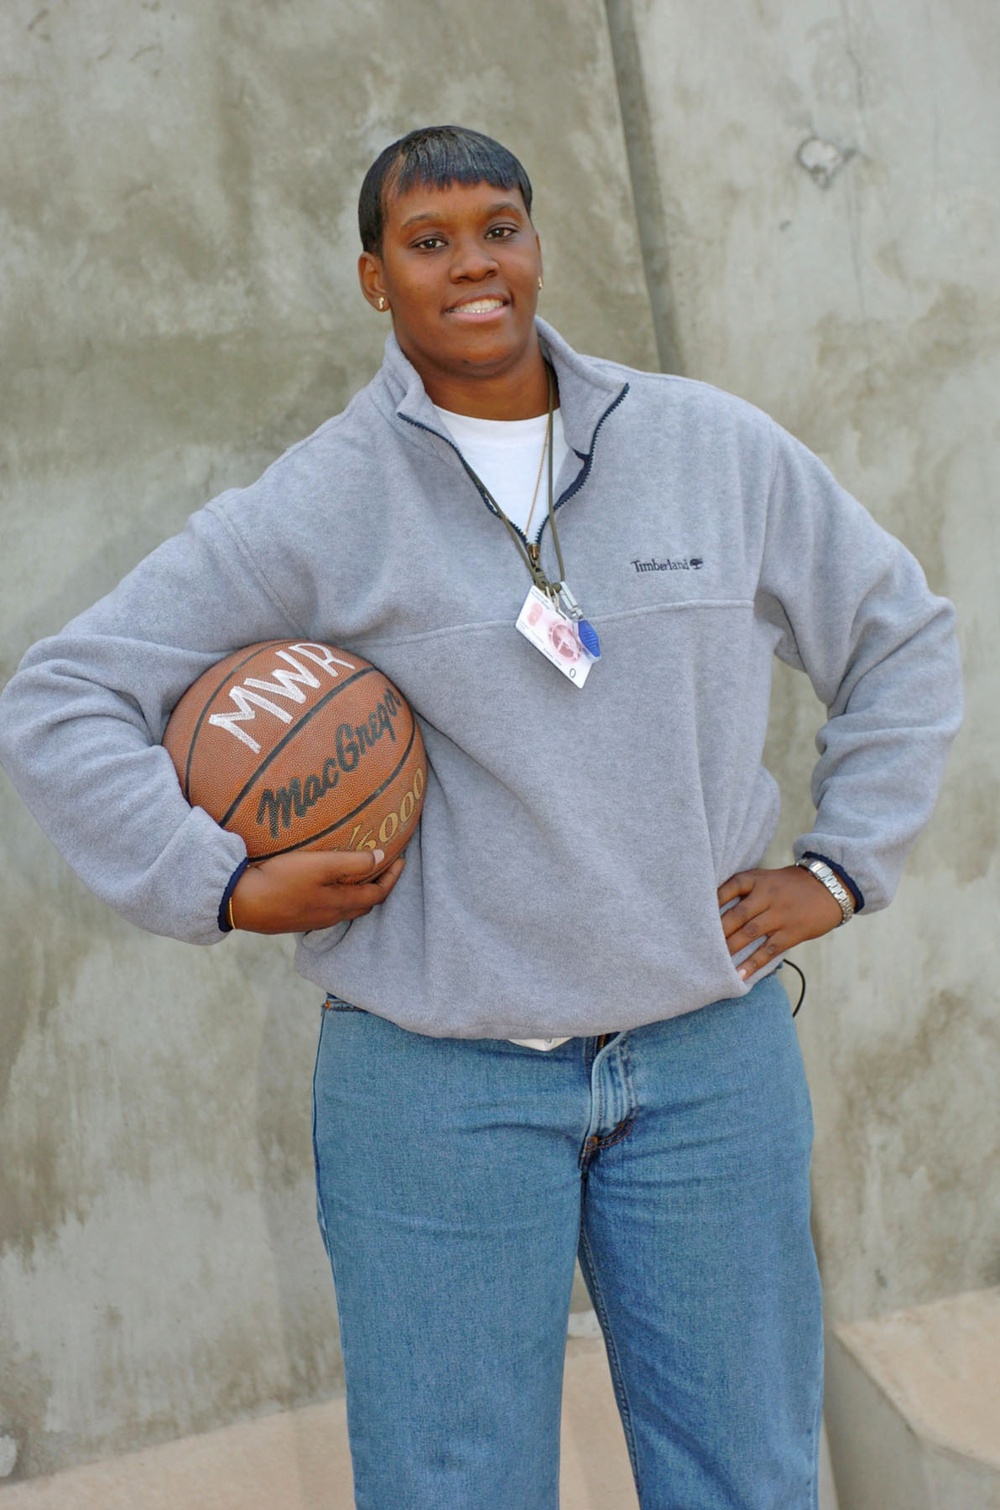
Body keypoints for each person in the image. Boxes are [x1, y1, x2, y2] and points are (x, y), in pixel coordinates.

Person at [0, 125, 961, 1508]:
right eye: (429, 239)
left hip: (705, 1060)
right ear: (373, 277)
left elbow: (902, 634)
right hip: (437, 1086)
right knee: (453, 1487)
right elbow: (62, 694)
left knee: (750, 1473)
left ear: (536, 244)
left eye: (497, 227)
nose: (473, 264)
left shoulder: (706, 444)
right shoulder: (325, 499)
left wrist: (844, 861)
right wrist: (212, 882)